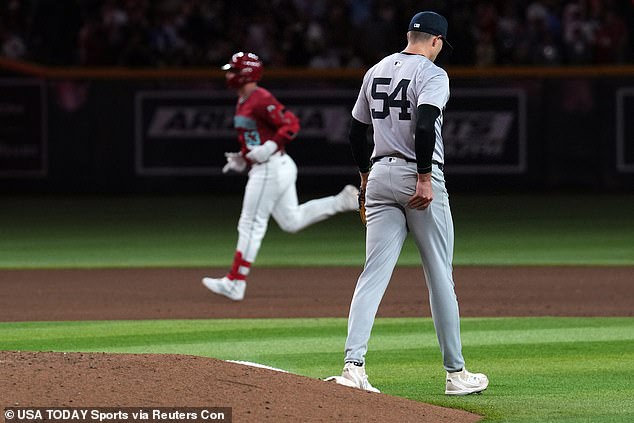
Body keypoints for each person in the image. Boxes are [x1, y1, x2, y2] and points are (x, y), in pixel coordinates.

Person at [330, 11, 489, 395]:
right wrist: (422, 177)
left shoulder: (376, 69)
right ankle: (456, 374)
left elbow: (355, 130)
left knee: (372, 275)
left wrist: (365, 176)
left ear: (409, 35)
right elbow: (424, 123)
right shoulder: (433, 75)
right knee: (439, 277)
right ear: (436, 41)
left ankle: (354, 367)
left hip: (380, 173)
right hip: (418, 176)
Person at [202, 52, 359, 301]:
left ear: (246, 74)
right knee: (291, 221)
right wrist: (244, 158)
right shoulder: (243, 100)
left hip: (271, 170)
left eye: (233, 70)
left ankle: (235, 281)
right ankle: (341, 201)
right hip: (274, 167)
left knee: (251, 224)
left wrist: (269, 147)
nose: (228, 75)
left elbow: (291, 124)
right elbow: (256, 138)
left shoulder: (260, 97)